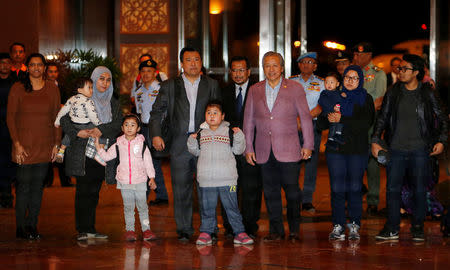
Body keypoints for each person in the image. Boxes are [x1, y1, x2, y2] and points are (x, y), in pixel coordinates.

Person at [372, 54, 448, 242]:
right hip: (395, 150)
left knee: (419, 190)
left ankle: (417, 228)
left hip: (421, 150)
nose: (400, 72)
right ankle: (392, 228)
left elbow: (443, 118)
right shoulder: (393, 92)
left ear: (416, 72)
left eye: (404, 69)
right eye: (399, 69)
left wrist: (441, 141)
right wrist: (375, 140)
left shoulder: (427, 93)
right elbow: (382, 118)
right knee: (392, 190)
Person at [150, 47, 221, 241]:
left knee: (207, 187)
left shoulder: (212, 84)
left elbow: (220, 113)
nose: (193, 63)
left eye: (196, 59)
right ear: (182, 63)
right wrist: (156, 135)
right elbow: (156, 113)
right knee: (181, 187)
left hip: (206, 142)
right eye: (188, 60)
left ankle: (209, 228)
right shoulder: (170, 86)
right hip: (179, 143)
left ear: (201, 62)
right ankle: (184, 229)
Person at [243, 51, 314, 241]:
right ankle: (275, 231)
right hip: (264, 150)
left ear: (282, 68)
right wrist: (248, 147)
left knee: (292, 192)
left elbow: (306, 118)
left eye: (275, 65)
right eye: (267, 65)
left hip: (290, 150)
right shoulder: (254, 89)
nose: (271, 69)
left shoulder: (295, 88)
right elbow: (248, 121)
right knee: (271, 192)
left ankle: (294, 229)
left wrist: (308, 144)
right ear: (263, 68)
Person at [60, 66, 123, 241]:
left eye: (108, 79)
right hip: (83, 152)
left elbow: (118, 124)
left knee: (94, 191)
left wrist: (100, 130)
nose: (104, 83)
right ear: (93, 81)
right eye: (101, 79)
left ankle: (91, 229)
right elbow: (65, 119)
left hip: (102, 153)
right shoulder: (80, 99)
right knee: (83, 190)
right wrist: (76, 132)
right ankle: (83, 228)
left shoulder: (114, 103)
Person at [7, 53, 61, 239]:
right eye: (32, 65)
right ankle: (20, 227)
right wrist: (17, 144)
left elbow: (57, 118)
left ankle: (32, 226)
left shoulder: (52, 89)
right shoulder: (18, 88)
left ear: (44, 68)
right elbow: (10, 118)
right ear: (27, 67)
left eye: (40, 65)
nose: (36, 68)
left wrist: (57, 144)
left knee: (38, 187)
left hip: (45, 146)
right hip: (23, 146)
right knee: (23, 187)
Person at [317, 65, 375, 241]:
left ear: (360, 80)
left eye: (355, 78)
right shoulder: (332, 96)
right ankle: (338, 225)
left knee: (355, 187)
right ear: (342, 79)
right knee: (337, 188)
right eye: (347, 77)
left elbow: (365, 124)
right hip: (336, 149)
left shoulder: (366, 99)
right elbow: (320, 125)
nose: (350, 81)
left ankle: (355, 224)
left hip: (357, 150)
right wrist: (329, 116)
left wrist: (342, 119)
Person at [187, 100, 254, 245]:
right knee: (207, 208)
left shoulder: (229, 131)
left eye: (215, 113)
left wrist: (239, 137)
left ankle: (239, 232)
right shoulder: (200, 133)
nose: (211, 116)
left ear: (222, 116)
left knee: (232, 207)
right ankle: (206, 232)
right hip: (206, 181)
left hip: (228, 180)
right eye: (209, 113)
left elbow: (238, 150)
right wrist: (191, 142)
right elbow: (195, 152)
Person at [95, 114, 158, 242]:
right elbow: (107, 157)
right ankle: (130, 230)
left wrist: (151, 177)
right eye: (126, 125)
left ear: (138, 128)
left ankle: (146, 230)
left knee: (142, 206)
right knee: (128, 207)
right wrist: (99, 148)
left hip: (140, 180)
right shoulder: (118, 144)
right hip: (124, 181)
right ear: (122, 128)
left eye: (133, 125)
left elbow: (148, 162)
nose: (129, 127)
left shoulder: (142, 145)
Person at [221, 56, 262, 238]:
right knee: (230, 189)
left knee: (251, 188)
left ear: (248, 72)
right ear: (230, 72)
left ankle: (250, 225)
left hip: (252, 147)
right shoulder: (223, 92)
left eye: (241, 70)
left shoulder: (258, 90)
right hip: (228, 150)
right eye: (234, 70)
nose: (237, 74)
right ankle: (230, 226)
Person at [352, 42, 387, 215]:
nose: (356, 57)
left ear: (368, 55)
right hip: (353, 123)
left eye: (359, 55)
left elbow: (379, 100)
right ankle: (354, 196)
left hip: (370, 122)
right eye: (355, 54)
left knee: (372, 161)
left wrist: (361, 114)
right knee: (353, 159)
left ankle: (373, 199)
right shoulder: (351, 73)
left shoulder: (378, 74)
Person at [290, 52, 324, 213]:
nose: (306, 65)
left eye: (310, 62)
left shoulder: (322, 83)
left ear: (315, 66)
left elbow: (322, 105)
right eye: (303, 62)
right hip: (293, 127)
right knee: (293, 163)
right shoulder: (290, 82)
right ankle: (294, 197)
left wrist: (305, 119)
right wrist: (297, 121)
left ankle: (307, 199)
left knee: (310, 164)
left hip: (313, 126)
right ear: (298, 65)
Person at [131, 59, 168, 206]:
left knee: (154, 163)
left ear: (155, 73)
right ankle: (151, 194)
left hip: (157, 128)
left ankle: (160, 195)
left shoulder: (161, 88)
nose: (146, 74)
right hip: (144, 129)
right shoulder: (138, 91)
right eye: (143, 71)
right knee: (144, 162)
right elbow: (139, 112)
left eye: (149, 71)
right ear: (140, 74)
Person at [54, 77, 104, 165]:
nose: (91, 90)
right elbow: (93, 115)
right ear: (80, 90)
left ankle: (61, 152)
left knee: (68, 136)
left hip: (74, 125)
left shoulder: (71, 99)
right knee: (100, 134)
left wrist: (57, 121)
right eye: (89, 87)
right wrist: (99, 125)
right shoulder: (88, 101)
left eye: (92, 87)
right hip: (87, 124)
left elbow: (63, 111)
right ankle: (100, 152)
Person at [43, 61, 72, 187]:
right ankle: (46, 181)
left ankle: (65, 180)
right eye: (50, 71)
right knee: (47, 152)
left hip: (61, 123)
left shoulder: (63, 87)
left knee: (63, 150)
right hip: (45, 124)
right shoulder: (41, 87)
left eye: (55, 71)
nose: (53, 74)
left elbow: (67, 105)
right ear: (46, 72)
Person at [0, 53, 17, 208]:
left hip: (11, 127)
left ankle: (7, 195)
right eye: (1, 63)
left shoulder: (15, 83)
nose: (4, 65)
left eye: (7, 63)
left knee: (8, 161)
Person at [318, 72, 346, 150]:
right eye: (326, 82)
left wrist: (344, 96)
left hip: (337, 113)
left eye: (331, 82)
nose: (329, 84)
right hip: (328, 113)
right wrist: (332, 107)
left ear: (337, 84)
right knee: (333, 125)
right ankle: (330, 139)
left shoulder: (339, 93)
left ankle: (338, 135)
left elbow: (342, 101)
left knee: (340, 123)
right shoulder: (324, 93)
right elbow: (322, 102)